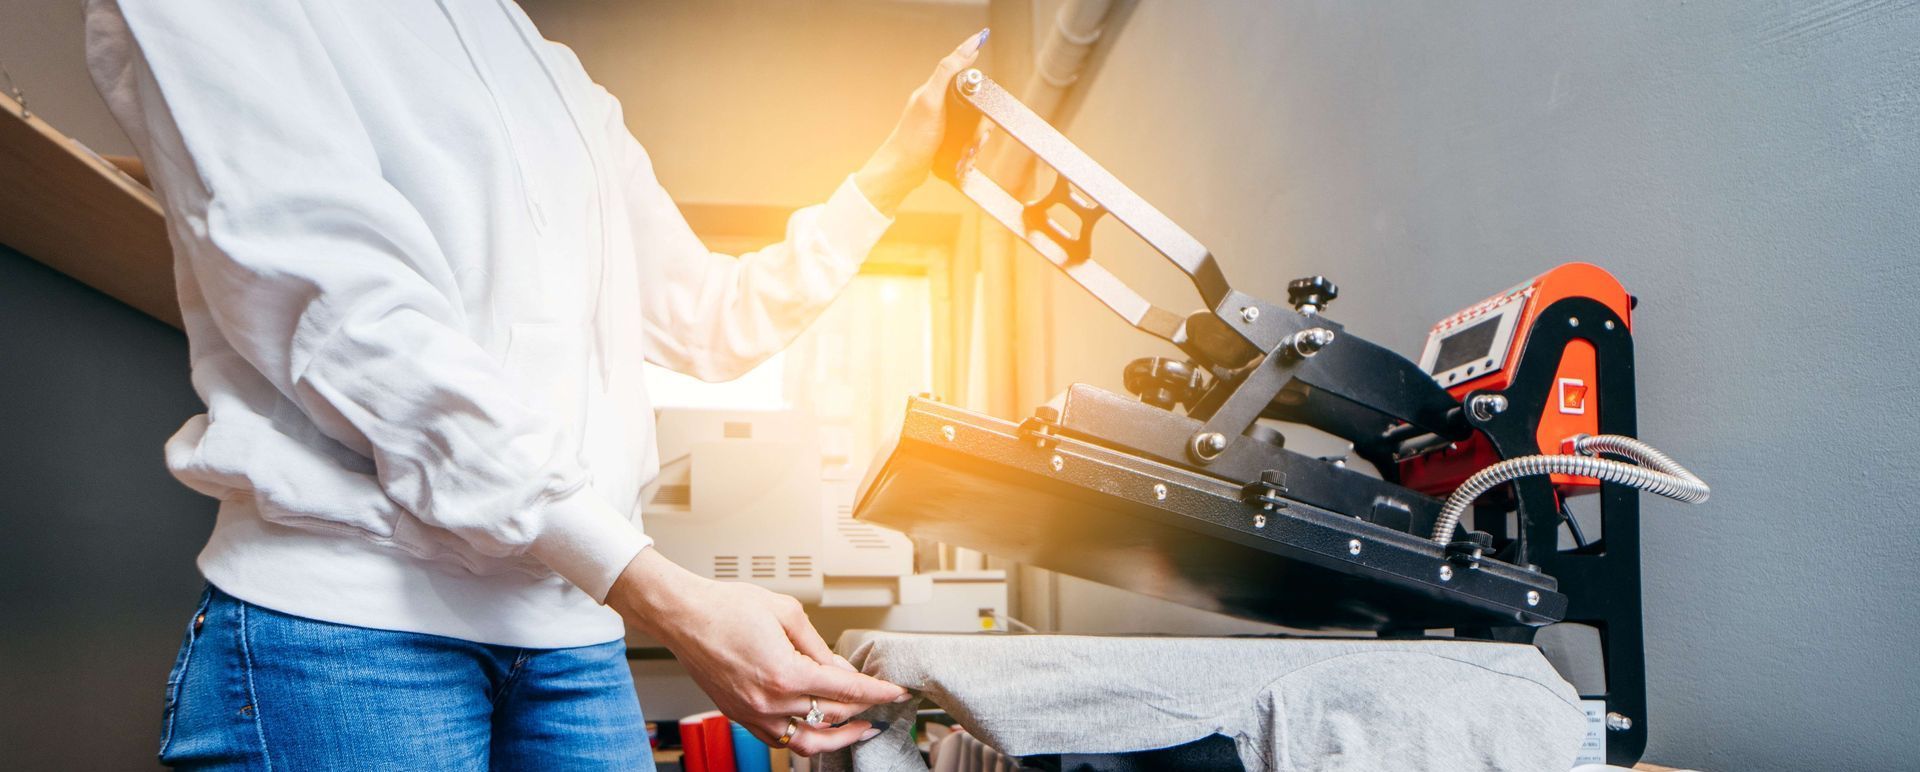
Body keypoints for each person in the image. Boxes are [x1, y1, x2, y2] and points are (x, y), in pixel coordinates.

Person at [84, 0, 986, 767]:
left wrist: (897, 168)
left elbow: (712, 320)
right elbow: (353, 325)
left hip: (571, 641)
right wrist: (658, 589)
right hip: (352, 631)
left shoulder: (545, 66)